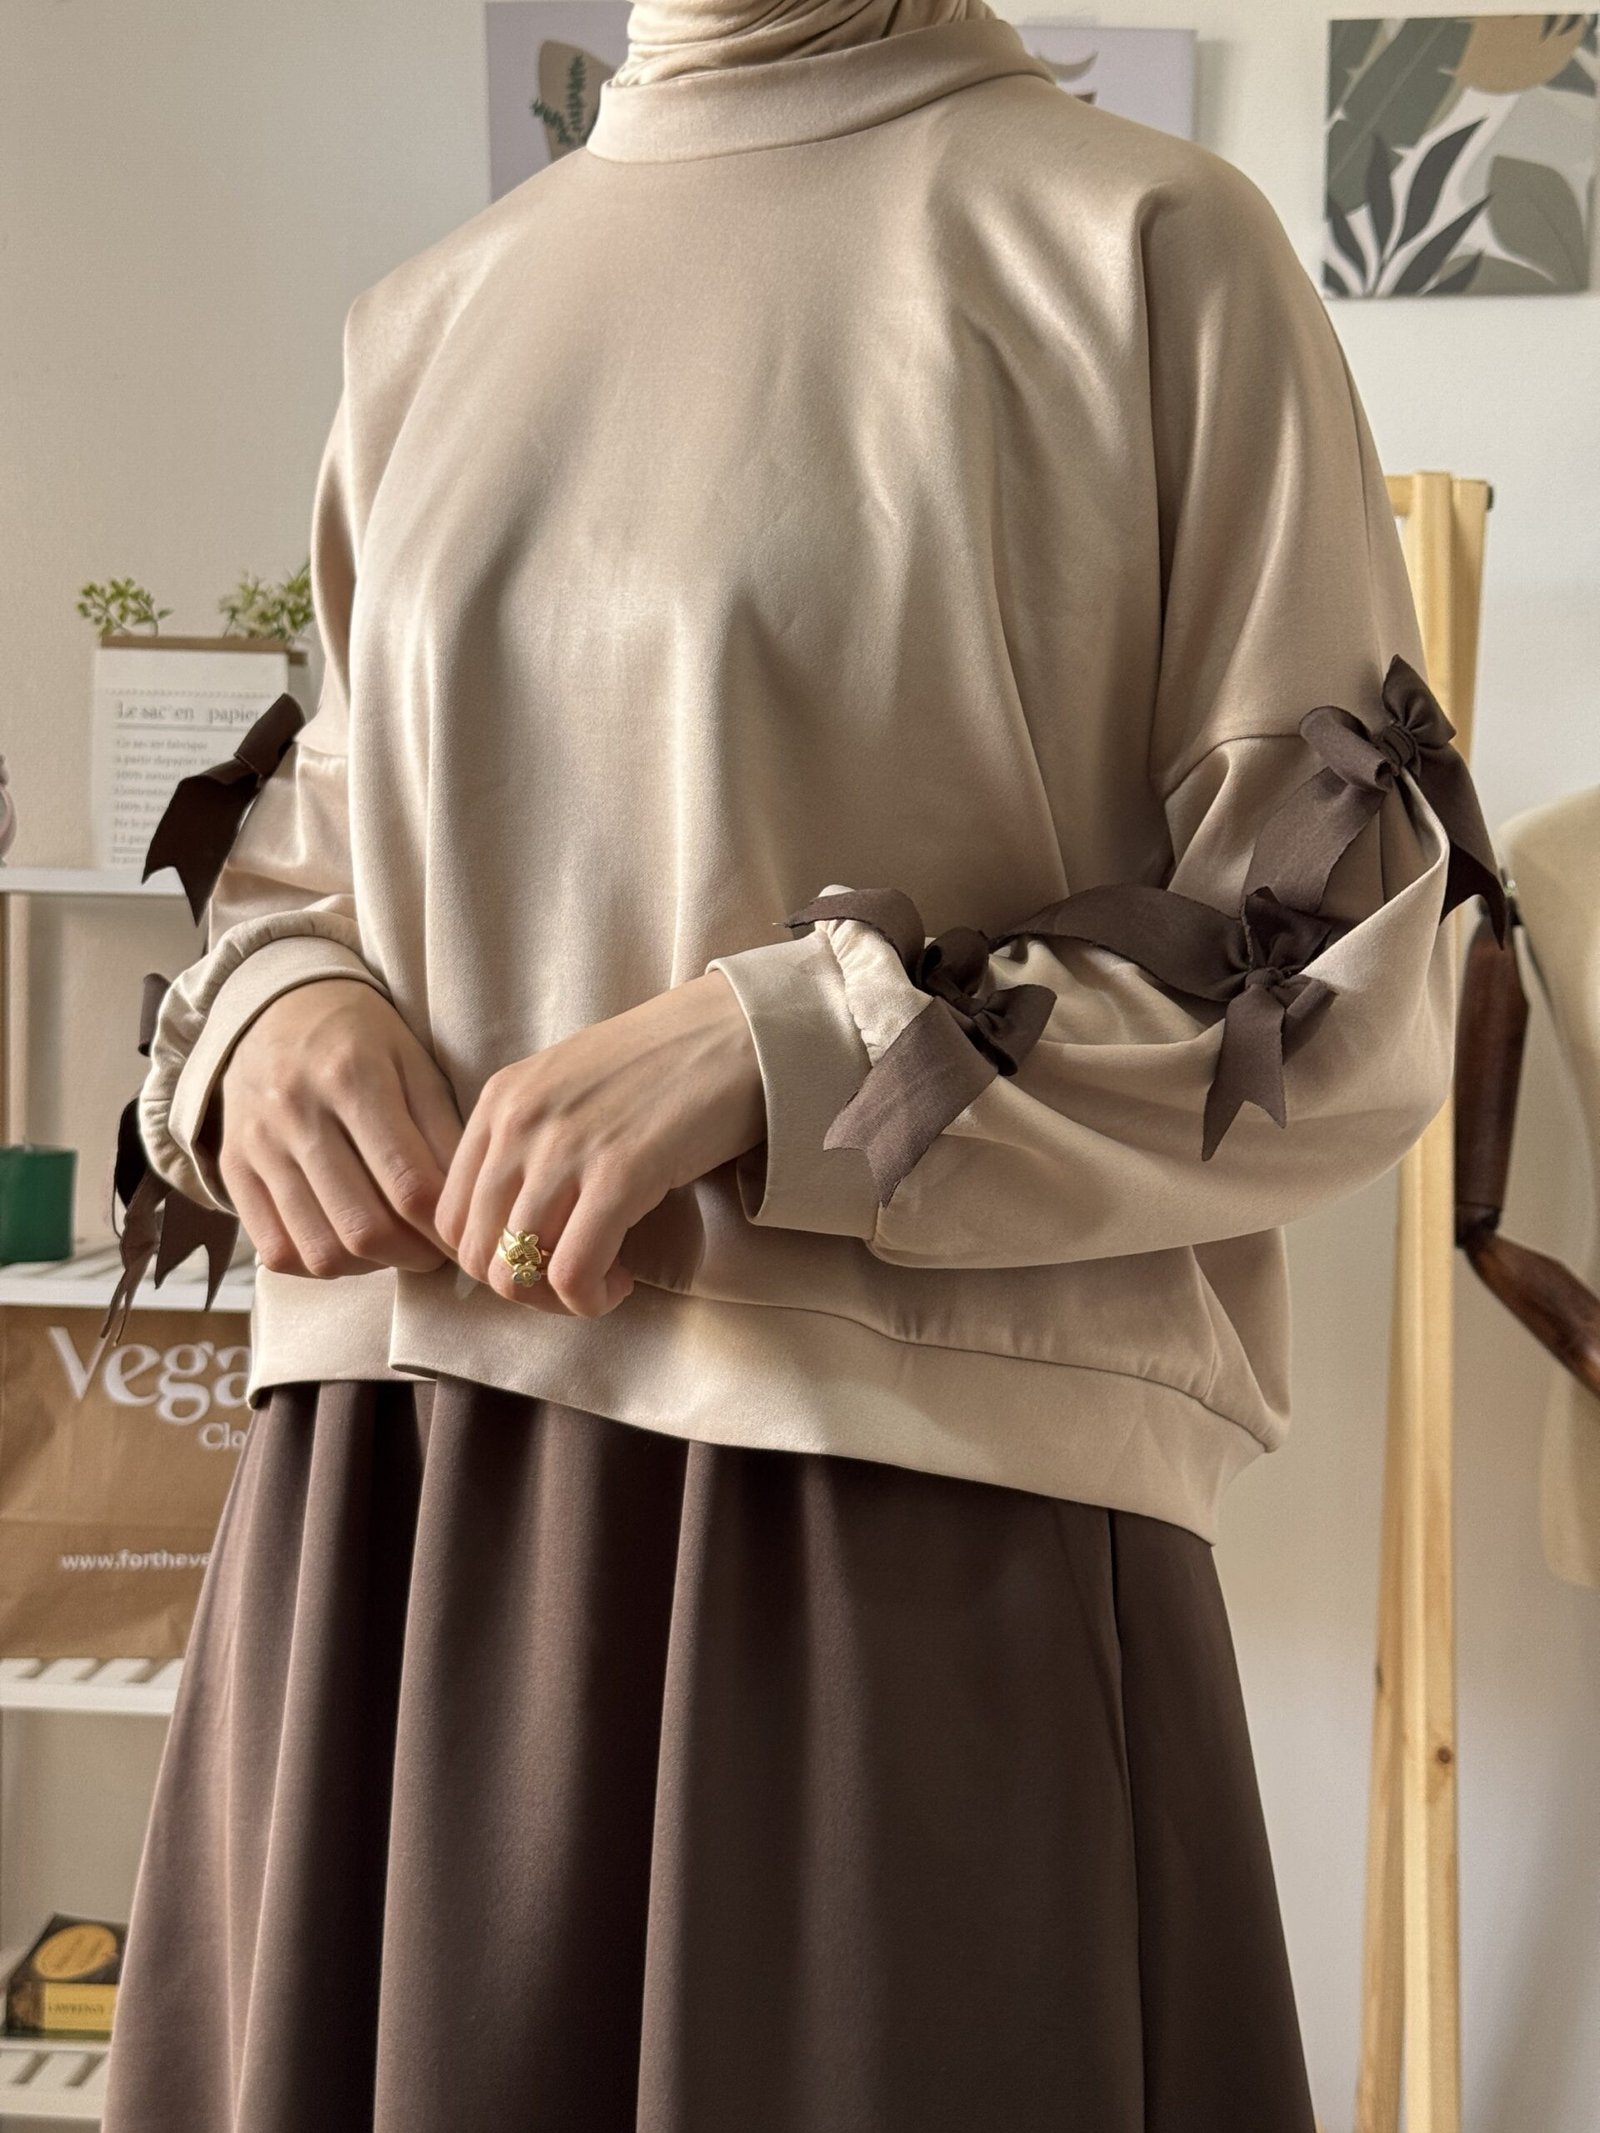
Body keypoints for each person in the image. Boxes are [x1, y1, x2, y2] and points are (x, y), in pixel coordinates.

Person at [98, 2, 1502, 2127]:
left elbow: (1333, 978)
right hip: (385, 1516)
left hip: (882, 1548)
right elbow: (311, 857)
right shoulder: (429, 319)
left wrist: (794, 1043)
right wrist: (274, 1013)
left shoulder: (1146, 252)